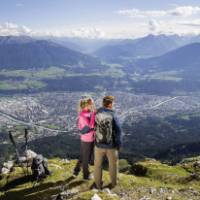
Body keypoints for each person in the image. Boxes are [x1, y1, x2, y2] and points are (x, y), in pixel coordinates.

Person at [94, 95, 122, 189]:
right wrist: (118, 145)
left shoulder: (97, 112)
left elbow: (94, 126)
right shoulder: (113, 114)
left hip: (98, 145)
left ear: (103, 103)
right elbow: (118, 131)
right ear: (110, 104)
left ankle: (98, 184)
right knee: (113, 165)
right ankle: (113, 184)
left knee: (97, 165)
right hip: (111, 146)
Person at [73, 96, 96, 180]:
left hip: (90, 137)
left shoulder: (88, 112)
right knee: (86, 158)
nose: (93, 105)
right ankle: (86, 176)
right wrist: (93, 115)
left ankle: (76, 170)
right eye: (91, 104)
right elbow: (91, 125)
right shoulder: (83, 115)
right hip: (87, 139)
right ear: (86, 105)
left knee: (83, 156)